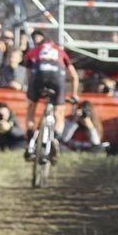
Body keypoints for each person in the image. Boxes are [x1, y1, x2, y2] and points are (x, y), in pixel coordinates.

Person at [22, 30, 80, 160]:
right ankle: (56, 139)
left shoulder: (35, 50)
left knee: (31, 109)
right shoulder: (61, 51)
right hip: (57, 76)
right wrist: (74, 95)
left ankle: (30, 139)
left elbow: (28, 73)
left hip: (39, 74)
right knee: (59, 113)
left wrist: (32, 90)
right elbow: (74, 76)